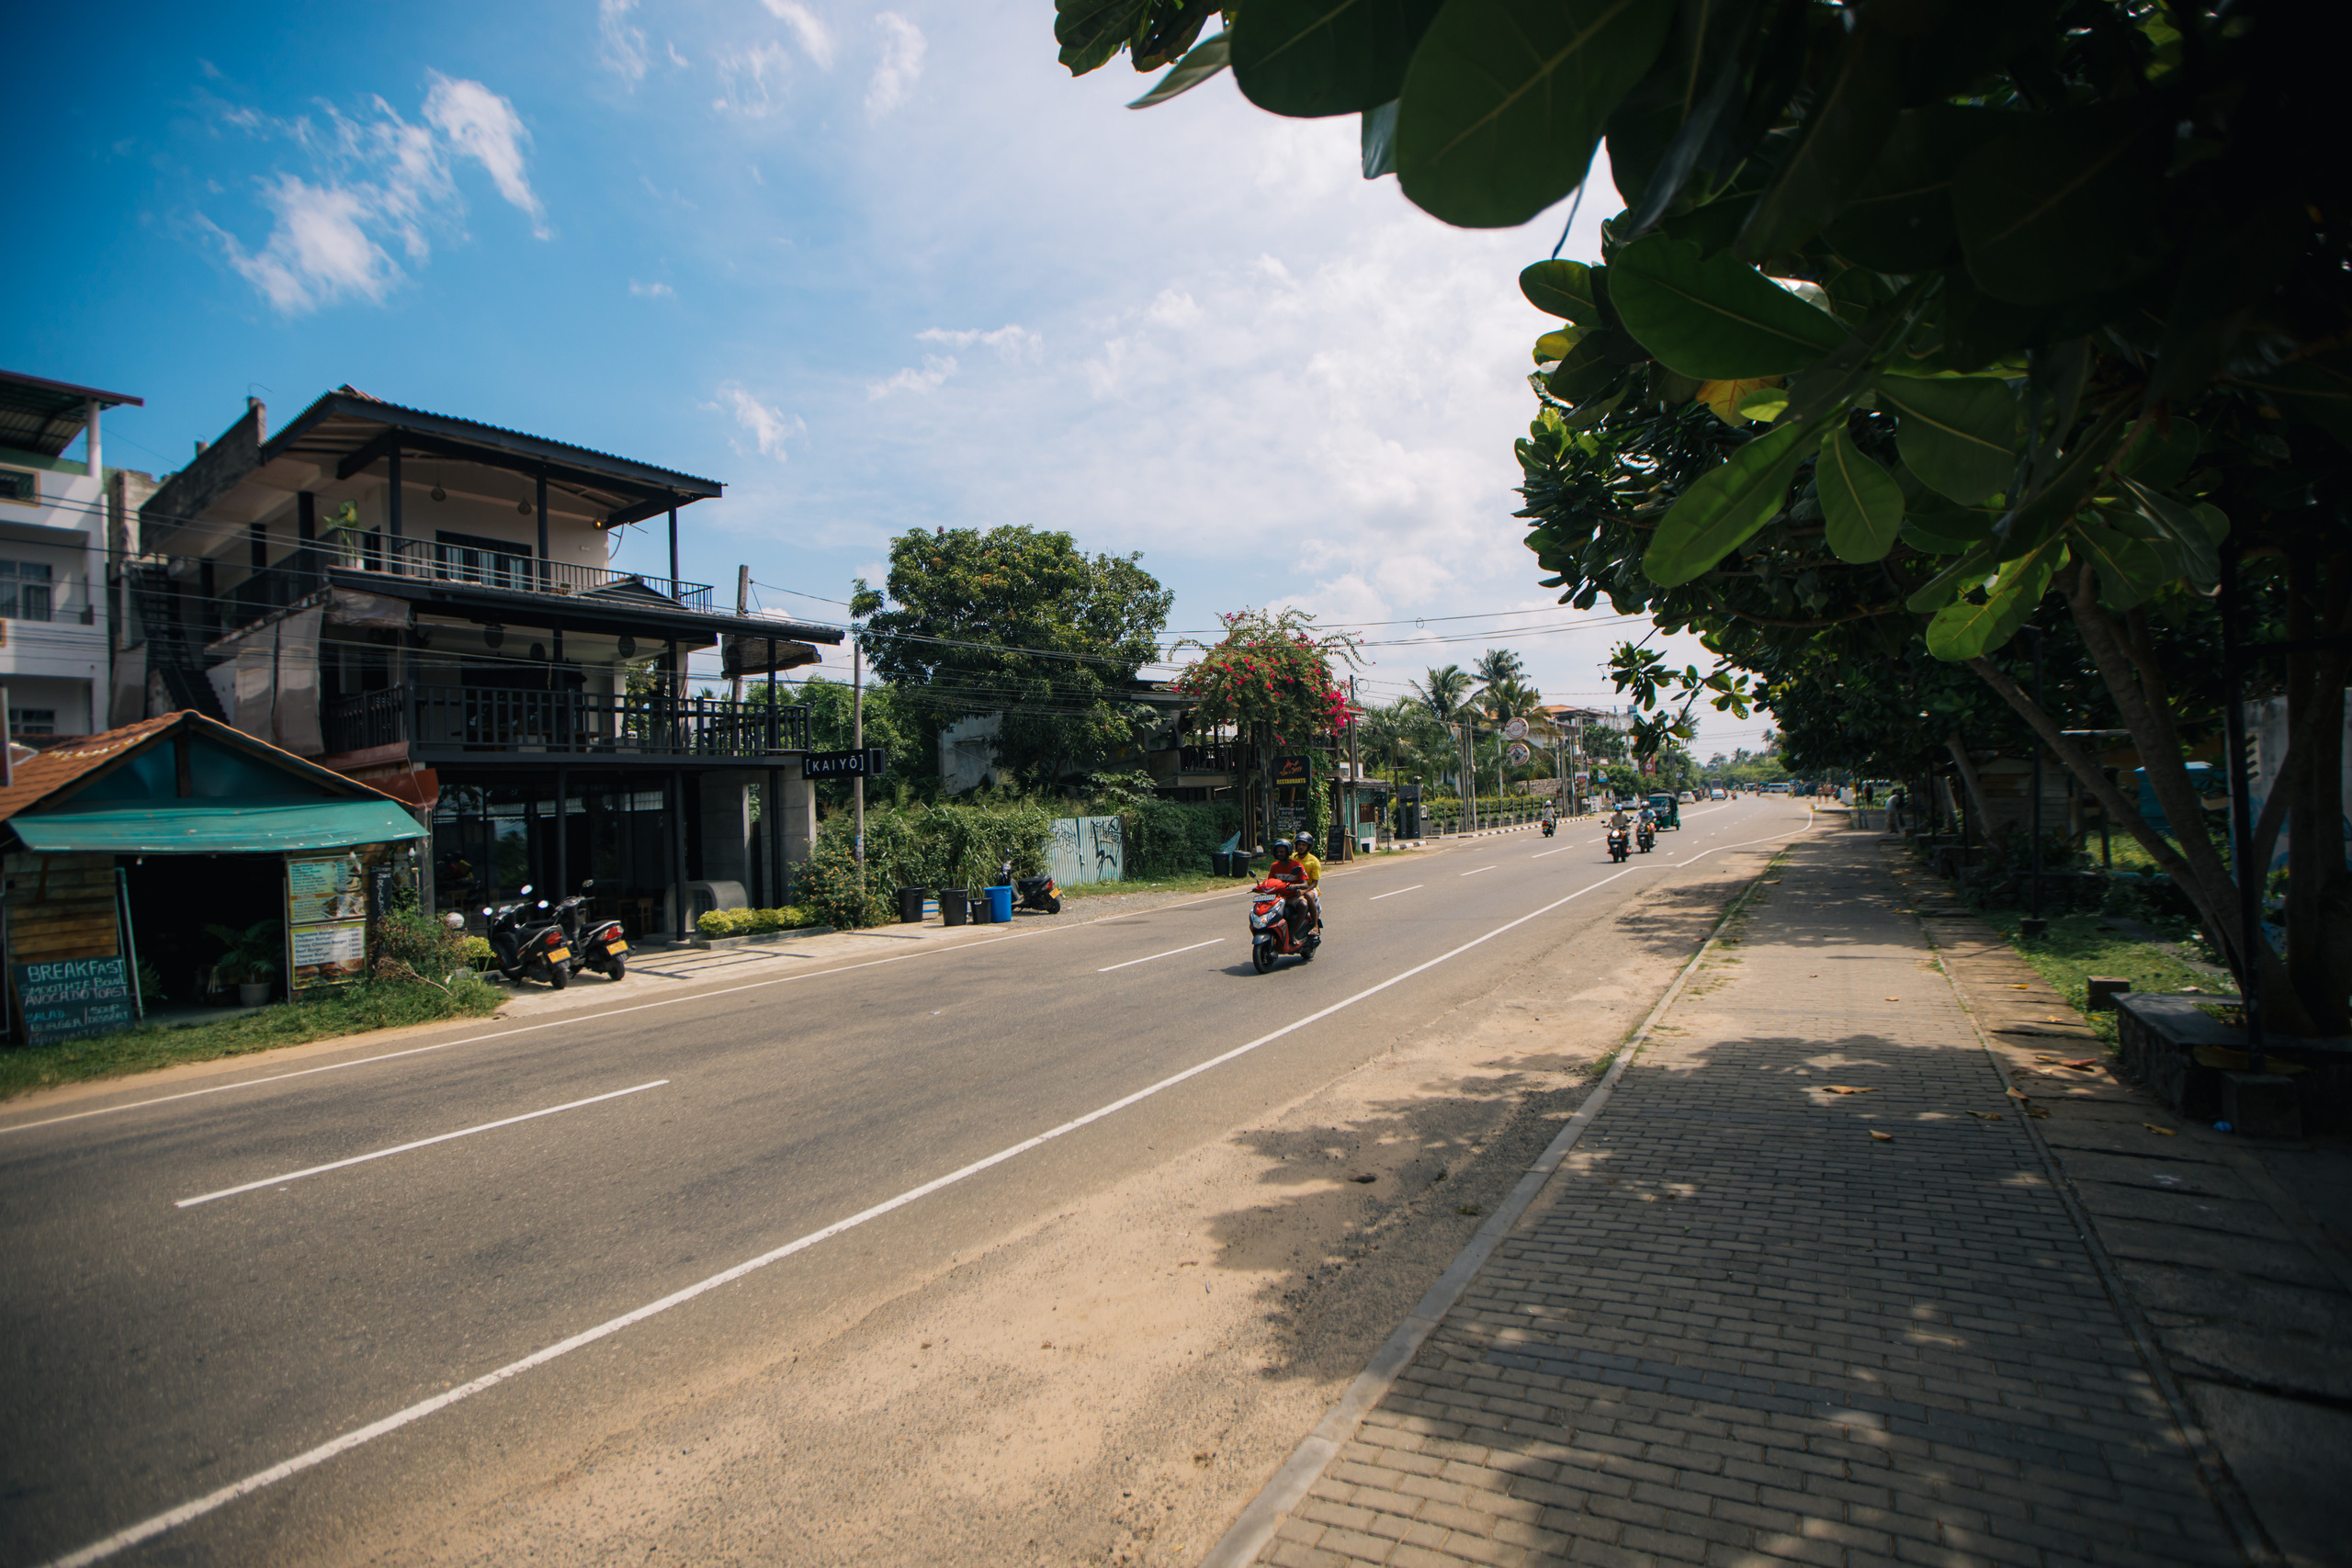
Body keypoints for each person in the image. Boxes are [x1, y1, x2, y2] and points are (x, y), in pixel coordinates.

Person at [1267, 838, 1319, 942]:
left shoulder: (1302, 864)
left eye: (1282, 852)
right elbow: (1269, 882)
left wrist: (1296, 887)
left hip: (1296, 894)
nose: (1280, 854)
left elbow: (1308, 883)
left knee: (1304, 903)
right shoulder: (1274, 866)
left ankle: (1295, 933)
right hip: (1280, 897)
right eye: (1278, 852)